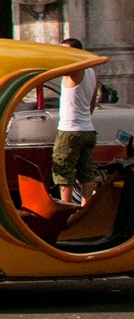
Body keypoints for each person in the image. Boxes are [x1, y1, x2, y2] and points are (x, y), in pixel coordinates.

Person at [54, 38, 99, 204]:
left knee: (63, 171)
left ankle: (66, 210)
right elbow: (91, 103)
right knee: (86, 172)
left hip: (70, 130)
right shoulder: (91, 72)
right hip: (87, 128)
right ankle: (87, 209)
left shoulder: (75, 70)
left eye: (65, 51)